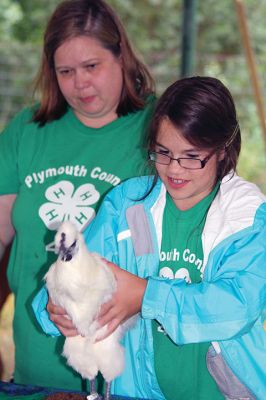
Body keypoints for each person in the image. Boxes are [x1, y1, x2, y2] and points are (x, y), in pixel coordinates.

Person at [42, 76, 266, 399]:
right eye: (163, 152)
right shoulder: (127, 208)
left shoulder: (247, 216)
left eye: (191, 156)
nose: (174, 169)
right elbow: (76, 267)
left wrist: (148, 296)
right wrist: (56, 304)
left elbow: (236, 308)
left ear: (223, 149)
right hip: (136, 391)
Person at [0, 0, 155, 392]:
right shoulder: (28, 130)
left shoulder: (157, 131)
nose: (80, 83)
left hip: (123, 371)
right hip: (36, 366)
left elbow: (159, 251)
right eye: (65, 71)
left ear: (121, 56)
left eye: (92, 67)